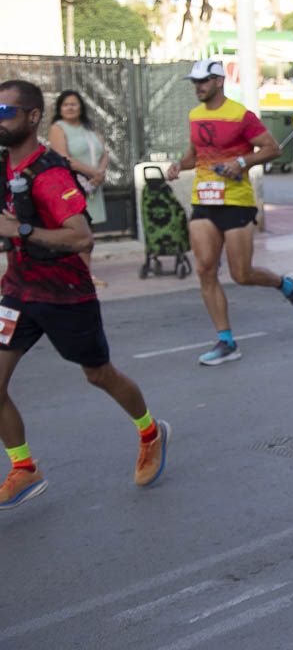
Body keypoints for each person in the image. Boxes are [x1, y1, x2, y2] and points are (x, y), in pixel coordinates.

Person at [0, 80, 169, 509]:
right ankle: (23, 468)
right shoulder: (5, 165)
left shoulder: (51, 175)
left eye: (6, 113)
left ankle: (150, 432)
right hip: (18, 291)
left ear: (33, 117)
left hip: (65, 295)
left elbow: (81, 238)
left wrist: (17, 230)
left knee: (99, 375)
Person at [166, 59, 293, 365]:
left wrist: (242, 163)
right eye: (194, 82)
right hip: (204, 198)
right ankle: (226, 340)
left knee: (241, 274)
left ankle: (285, 285)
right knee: (205, 268)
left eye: (203, 81)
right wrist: (179, 165)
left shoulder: (241, 115)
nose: (198, 87)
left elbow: (273, 148)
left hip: (236, 199)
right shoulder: (194, 115)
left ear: (219, 81)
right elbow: (196, 154)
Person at [46, 90, 108, 284]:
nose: (70, 108)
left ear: (81, 106)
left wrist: (100, 173)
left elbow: (104, 153)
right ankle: (77, 273)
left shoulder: (89, 129)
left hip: (93, 186)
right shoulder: (58, 128)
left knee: (90, 232)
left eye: (74, 104)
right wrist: (92, 172)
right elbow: (64, 158)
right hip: (75, 186)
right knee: (78, 229)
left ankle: (85, 271)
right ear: (59, 108)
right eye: (66, 104)